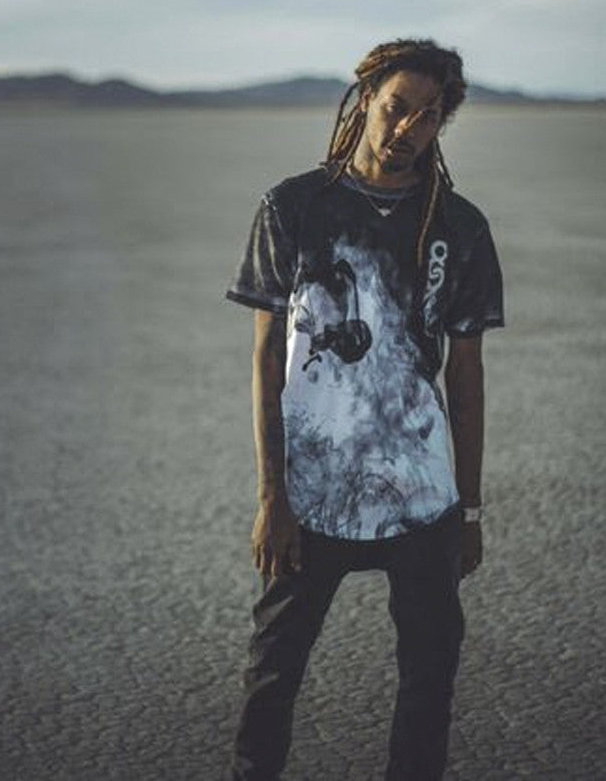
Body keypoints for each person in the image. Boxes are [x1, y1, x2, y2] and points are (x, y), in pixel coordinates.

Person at [225, 38, 504, 780]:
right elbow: (266, 363)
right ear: (364, 102)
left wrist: (469, 510)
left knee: (429, 679)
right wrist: (272, 498)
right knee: (273, 672)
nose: (407, 127)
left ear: (442, 125)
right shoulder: (293, 208)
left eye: (427, 115)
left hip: (422, 496)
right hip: (313, 495)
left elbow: (467, 376)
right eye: (396, 107)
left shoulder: (460, 227)